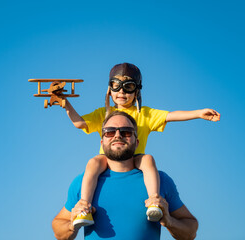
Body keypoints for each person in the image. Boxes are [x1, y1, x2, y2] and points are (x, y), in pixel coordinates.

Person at [64, 63, 220, 227]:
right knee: (93, 162)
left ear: (137, 90)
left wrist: (198, 113)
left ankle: (154, 201)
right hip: (108, 158)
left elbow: (171, 116)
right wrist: (65, 104)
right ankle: (83, 206)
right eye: (116, 86)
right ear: (110, 90)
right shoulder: (104, 113)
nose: (122, 92)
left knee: (148, 159)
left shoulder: (144, 113)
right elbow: (80, 123)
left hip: (134, 158)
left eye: (128, 87)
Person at [52, 111, 198, 240]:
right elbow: (59, 229)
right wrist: (72, 224)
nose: (117, 135)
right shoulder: (84, 182)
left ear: (136, 142)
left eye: (126, 132)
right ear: (102, 142)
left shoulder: (161, 181)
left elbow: (190, 231)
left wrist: (170, 221)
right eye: (109, 132)